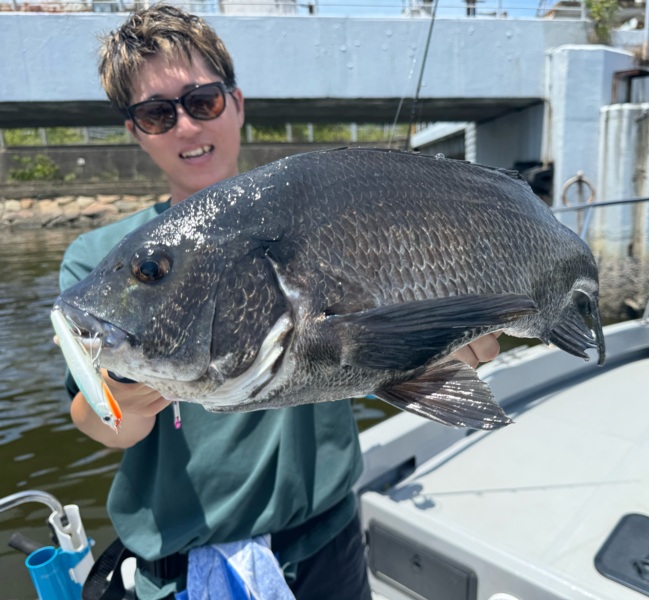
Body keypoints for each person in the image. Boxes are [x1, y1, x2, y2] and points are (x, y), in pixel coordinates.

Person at [58, 5, 501, 599]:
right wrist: (128, 397)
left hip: (329, 541)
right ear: (136, 130)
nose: (186, 126)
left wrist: (448, 344)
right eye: (158, 113)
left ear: (236, 103)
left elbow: (393, 341)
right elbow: (97, 420)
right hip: (184, 565)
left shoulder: (325, 216)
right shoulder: (100, 260)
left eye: (203, 102)